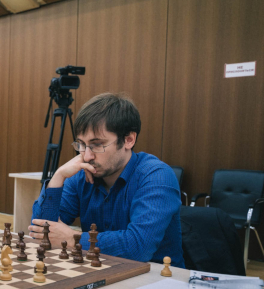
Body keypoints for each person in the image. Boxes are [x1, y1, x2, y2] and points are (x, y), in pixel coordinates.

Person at [30, 93, 184, 267]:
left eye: (97, 145)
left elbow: (138, 247)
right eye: (81, 144)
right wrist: (58, 177)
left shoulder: (157, 176)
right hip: (102, 272)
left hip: (157, 281)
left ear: (128, 140)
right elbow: (40, 232)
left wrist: (72, 239)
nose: (86, 156)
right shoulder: (82, 175)